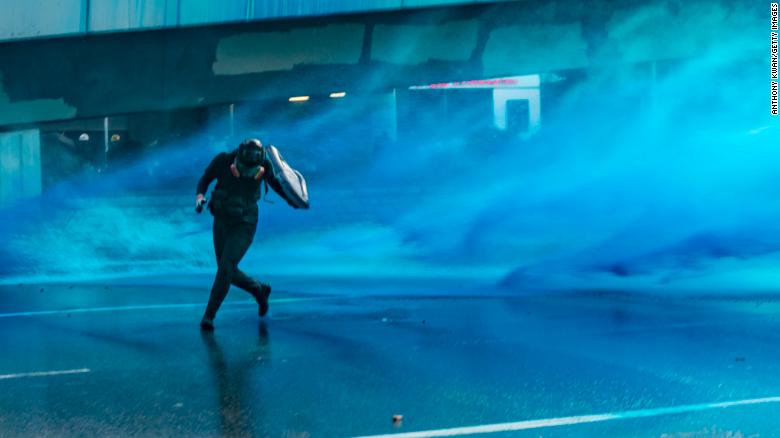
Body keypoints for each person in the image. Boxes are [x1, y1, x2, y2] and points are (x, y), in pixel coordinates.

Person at [195, 138, 281, 331]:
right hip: (222, 219)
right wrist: (200, 196)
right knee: (228, 272)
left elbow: (279, 184)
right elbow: (205, 178)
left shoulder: (264, 164)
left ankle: (209, 315)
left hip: (245, 222)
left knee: (225, 268)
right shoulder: (223, 160)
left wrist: (296, 198)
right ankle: (258, 289)